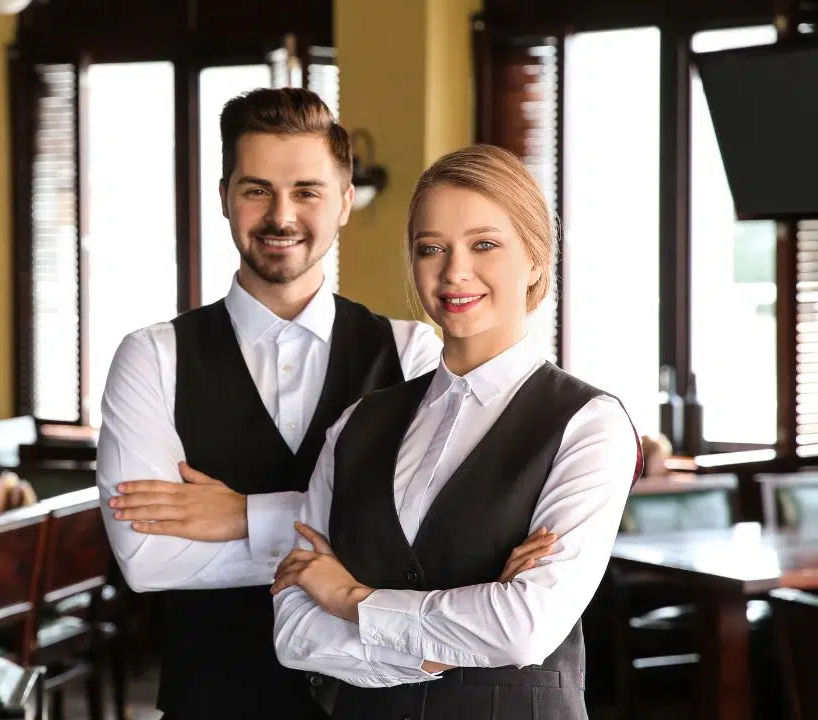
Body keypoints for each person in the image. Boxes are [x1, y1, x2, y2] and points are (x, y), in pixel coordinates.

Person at [95, 89, 553, 720]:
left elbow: (441, 542)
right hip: (214, 702)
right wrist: (365, 548)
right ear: (224, 196)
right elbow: (147, 559)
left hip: (390, 702)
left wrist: (242, 516)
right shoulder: (151, 357)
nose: (281, 215)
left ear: (343, 203)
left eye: (307, 191)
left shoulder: (415, 351)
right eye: (256, 190)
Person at [270, 144, 642, 720]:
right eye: (431, 248)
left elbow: (524, 629)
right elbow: (294, 632)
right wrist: (449, 642)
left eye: (484, 244)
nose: (454, 271)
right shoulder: (355, 425)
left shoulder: (590, 425)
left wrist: (351, 598)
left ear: (537, 260)